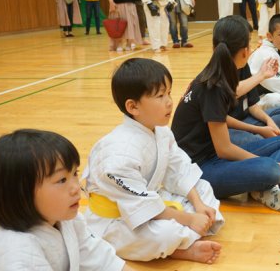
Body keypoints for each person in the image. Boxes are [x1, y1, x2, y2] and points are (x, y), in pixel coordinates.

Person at [83, 58, 224, 263]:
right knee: (161, 236)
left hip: (150, 201)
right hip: (116, 219)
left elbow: (179, 169)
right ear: (133, 107)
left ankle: (184, 239)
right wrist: (190, 219)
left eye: (168, 92)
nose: (169, 101)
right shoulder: (118, 155)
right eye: (160, 95)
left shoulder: (161, 132)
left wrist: (199, 205)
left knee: (203, 189)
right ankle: (181, 248)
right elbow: (142, 206)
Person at [172, 15, 280, 212]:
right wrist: (262, 163)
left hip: (215, 156)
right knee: (271, 169)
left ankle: (261, 186)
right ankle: (265, 185)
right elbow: (225, 149)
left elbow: (223, 112)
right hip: (198, 169)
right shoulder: (212, 85)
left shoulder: (217, 74)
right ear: (245, 51)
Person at [0, 129, 130, 270]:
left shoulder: (67, 220)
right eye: (62, 180)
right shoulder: (16, 252)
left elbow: (103, 261)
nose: (76, 187)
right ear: (20, 193)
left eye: (75, 173)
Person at [227, 61, 280, 146]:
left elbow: (252, 106)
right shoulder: (217, 75)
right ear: (245, 51)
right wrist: (258, 130)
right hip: (227, 130)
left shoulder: (244, 66)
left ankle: (267, 135)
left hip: (247, 121)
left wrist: (269, 121)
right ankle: (264, 136)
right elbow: (223, 120)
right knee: (258, 140)